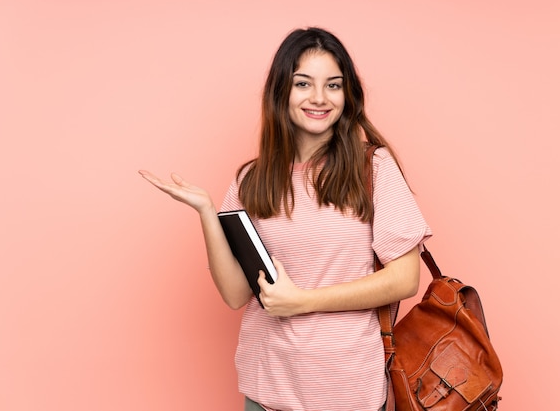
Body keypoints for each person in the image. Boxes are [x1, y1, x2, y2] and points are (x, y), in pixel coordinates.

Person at [139, 27, 431, 411]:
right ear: (282, 91)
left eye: (333, 85)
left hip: (346, 393)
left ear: (347, 95)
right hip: (267, 391)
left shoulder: (372, 167)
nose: (319, 98)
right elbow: (236, 294)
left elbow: (405, 278)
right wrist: (208, 212)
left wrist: (303, 301)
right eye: (303, 84)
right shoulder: (251, 179)